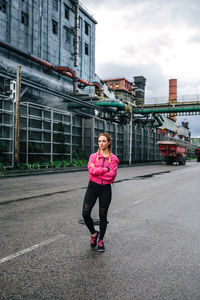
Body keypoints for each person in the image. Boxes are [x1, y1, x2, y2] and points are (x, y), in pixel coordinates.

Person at [82, 133, 119, 252]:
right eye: (99, 141)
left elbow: (111, 176)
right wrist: (105, 169)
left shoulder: (113, 159)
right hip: (92, 187)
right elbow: (91, 171)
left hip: (105, 189)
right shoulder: (93, 156)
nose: (101, 143)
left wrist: (99, 171)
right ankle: (94, 233)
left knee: (103, 216)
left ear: (109, 142)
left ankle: (101, 240)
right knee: (85, 213)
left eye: (103, 141)